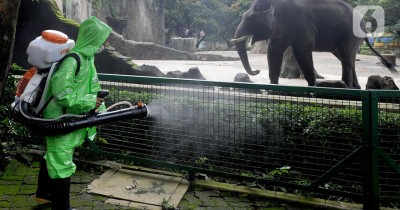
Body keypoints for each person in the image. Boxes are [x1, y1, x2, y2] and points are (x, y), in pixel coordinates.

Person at [34, 16, 112, 210]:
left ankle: (43, 195)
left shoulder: (88, 59)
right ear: (94, 38)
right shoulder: (73, 60)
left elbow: (93, 88)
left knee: (54, 155)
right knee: (61, 162)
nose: (106, 44)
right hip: (59, 118)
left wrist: (99, 111)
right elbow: (61, 93)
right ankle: (61, 208)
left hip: (71, 117)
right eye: (104, 39)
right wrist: (90, 102)